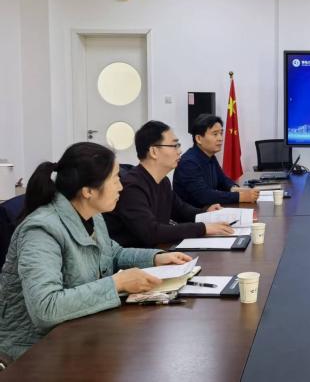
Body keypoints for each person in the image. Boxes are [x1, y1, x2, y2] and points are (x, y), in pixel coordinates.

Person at [0, 142, 192, 364]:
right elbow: (46, 308)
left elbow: (112, 253)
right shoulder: (41, 230)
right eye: (115, 179)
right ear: (88, 191)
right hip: (33, 350)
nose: (121, 187)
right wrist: (117, 284)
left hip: (78, 332)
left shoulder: (92, 215)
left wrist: (156, 258)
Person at [104, 121, 236, 248]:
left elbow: (181, 211)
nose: (179, 151)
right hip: (137, 258)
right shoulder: (132, 187)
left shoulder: (163, 181)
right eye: (174, 146)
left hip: (159, 251)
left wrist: (206, 213)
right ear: (154, 152)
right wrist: (203, 228)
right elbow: (151, 232)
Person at [173, 114, 259, 206]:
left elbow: (223, 180)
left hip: (209, 210)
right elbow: (204, 195)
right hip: (194, 213)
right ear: (199, 139)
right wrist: (239, 196)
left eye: (221, 133)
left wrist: (234, 188)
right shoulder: (188, 163)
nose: (220, 138)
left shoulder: (210, 155)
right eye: (215, 134)